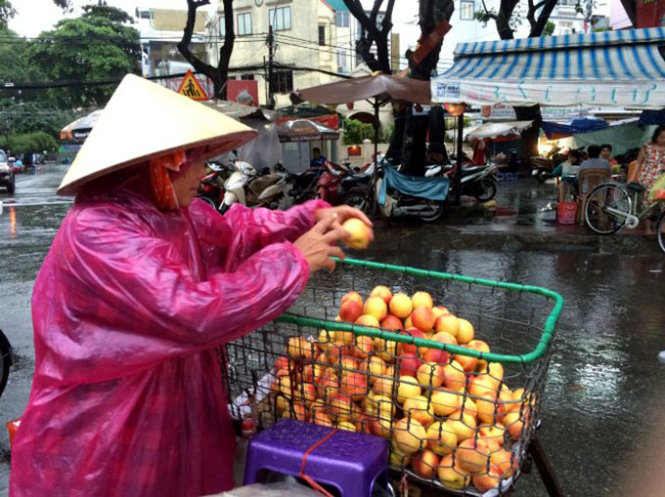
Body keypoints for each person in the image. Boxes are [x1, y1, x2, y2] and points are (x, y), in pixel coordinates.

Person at [9, 75, 373, 497]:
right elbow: (189, 311)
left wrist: (306, 218)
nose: (204, 172)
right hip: (100, 444)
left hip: (167, 425)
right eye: (196, 159)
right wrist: (294, 261)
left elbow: (238, 231)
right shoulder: (98, 231)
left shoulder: (174, 215)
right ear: (163, 164)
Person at [635, 125, 665, 235]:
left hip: (663, 180)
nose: (663, 140)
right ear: (656, 136)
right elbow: (638, 163)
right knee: (647, 203)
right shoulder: (647, 147)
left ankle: (662, 226)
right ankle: (647, 229)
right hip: (647, 178)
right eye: (661, 137)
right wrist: (633, 178)